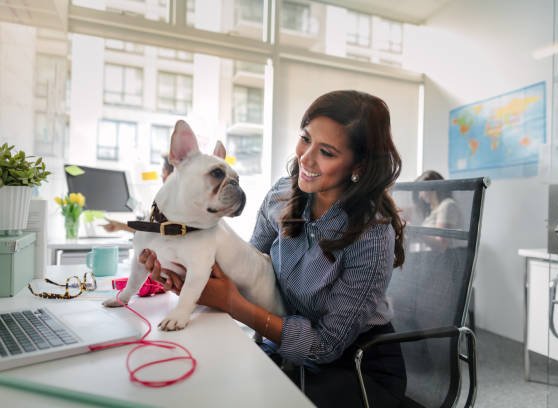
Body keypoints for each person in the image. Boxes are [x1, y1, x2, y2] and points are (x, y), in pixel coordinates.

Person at [139, 90, 407, 407]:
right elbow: (248, 266)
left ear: (358, 164)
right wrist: (183, 275)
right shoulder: (282, 194)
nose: (306, 159)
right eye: (305, 139)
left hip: (357, 368)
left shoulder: (372, 235)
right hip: (286, 347)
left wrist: (233, 304)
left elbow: (326, 346)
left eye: (328, 152)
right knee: (203, 383)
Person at [103, 153, 174, 233]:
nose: (161, 176)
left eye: (163, 171)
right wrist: (121, 226)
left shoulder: (172, 201)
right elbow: (154, 230)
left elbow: (156, 231)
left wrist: (121, 226)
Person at [412, 170, 463, 251]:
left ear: (432, 189)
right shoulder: (435, 210)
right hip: (432, 259)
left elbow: (442, 245)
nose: (420, 196)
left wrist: (417, 232)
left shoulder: (447, 205)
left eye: (421, 190)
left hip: (446, 260)